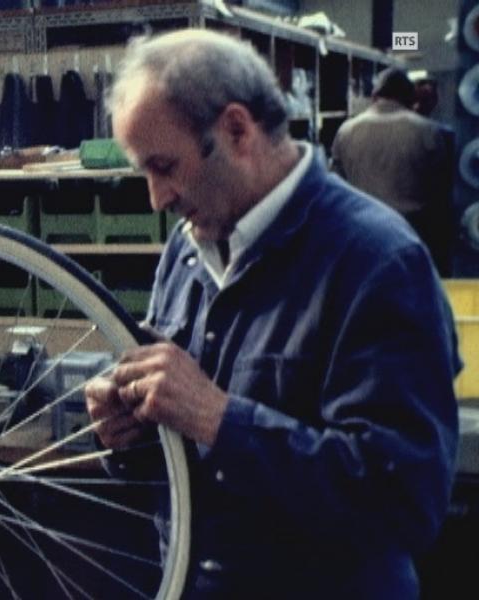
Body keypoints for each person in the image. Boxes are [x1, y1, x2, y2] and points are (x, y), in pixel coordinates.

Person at [84, 29, 460, 599]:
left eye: (164, 166)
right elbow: (181, 465)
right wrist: (129, 434)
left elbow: (406, 503)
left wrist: (218, 418)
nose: (155, 198)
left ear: (236, 130)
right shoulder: (185, 252)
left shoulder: (379, 261)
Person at [331, 68, 454, 275]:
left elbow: (336, 187)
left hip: (362, 235)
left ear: (374, 96)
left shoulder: (346, 130)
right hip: (415, 233)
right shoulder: (430, 132)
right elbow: (442, 196)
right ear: (410, 97)